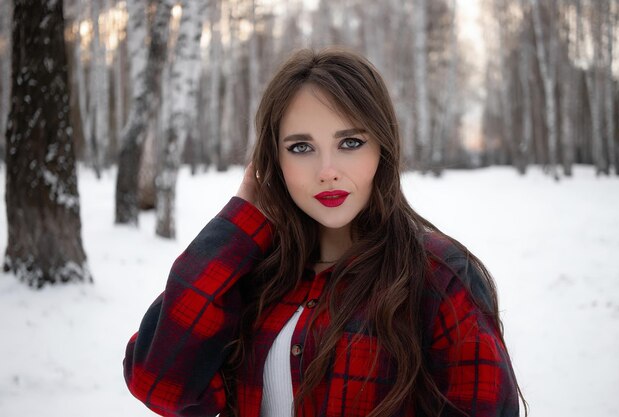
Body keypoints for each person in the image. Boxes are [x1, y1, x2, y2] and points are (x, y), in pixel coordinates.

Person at [123, 48, 527, 417]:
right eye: (301, 147)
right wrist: (240, 224)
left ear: (381, 149)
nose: (327, 170)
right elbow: (158, 384)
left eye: (350, 142)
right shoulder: (255, 272)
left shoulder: (439, 275)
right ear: (273, 162)